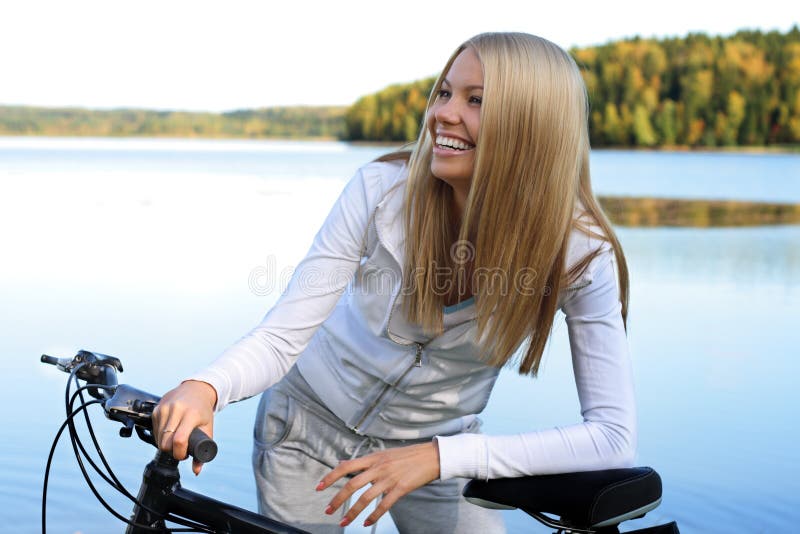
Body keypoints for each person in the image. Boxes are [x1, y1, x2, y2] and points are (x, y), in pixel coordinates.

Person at [153, 32, 636, 533]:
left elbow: (612, 436)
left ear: (532, 127)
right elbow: (282, 337)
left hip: (445, 453)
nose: (443, 113)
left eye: (476, 100)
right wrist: (206, 387)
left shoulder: (581, 255)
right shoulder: (382, 190)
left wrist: (442, 457)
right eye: (445, 92)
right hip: (307, 432)